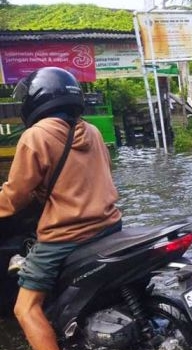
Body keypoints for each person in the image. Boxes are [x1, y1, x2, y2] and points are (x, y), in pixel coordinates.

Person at [1, 67, 122, 350]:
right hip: (109, 226)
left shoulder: (36, 136)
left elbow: (15, 196)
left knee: (26, 308)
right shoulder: (91, 131)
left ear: (35, 100)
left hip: (66, 237)